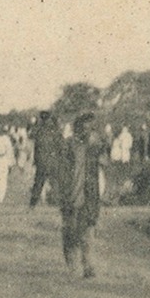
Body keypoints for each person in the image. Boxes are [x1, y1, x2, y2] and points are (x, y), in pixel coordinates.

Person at [59, 112, 103, 278]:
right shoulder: (69, 145)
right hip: (71, 194)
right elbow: (61, 170)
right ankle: (72, 265)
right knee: (70, 231)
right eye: (86, 128)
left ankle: (88, 264)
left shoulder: (94, 147)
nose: (90, 132)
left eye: (92, 129)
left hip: (89, 194)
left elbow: (104, 161)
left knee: (88, 229)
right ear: (78, 129)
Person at [29, 110, 63, 207]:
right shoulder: (55, 131)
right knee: (55, 182)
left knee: (38, 184)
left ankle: (32, 204)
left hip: (41, 161)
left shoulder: (39, 131)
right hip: (53, 160)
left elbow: (36, 148)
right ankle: (57, 203)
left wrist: (36, 161)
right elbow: (62, 146)